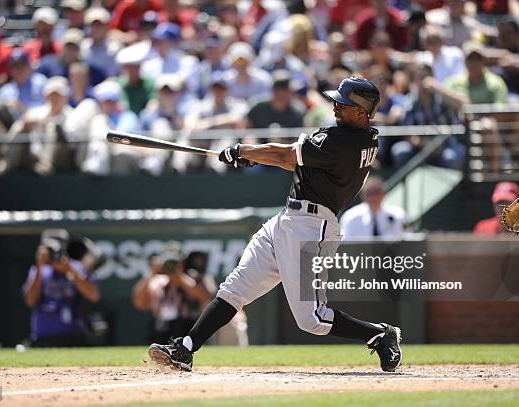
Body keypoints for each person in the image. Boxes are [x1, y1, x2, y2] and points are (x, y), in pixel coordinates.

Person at [147, 76, 403, 373]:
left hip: (313, 228)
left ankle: (381, 334)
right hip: (288, 220)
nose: (335, 106)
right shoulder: (356, 136)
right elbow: (295, 160)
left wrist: (242, 151)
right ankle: (185, 349)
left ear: (361, 111)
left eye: (343, 104)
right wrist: (249, 156)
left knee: (313, 320)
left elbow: (285, 155)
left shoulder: (344, 141)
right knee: (234, 289)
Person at [22, 231, 100, 347]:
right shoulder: (38, 270)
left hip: (73, 338)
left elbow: (94, 295)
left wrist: (69, 269)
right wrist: (40, 266)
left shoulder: (75, 267)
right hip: (42, 338)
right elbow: (30, 301)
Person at [132, 248, 215, 344]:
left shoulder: (196, 276)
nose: (171, 265)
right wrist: (152, 273)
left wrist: (179, 277)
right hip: (162, 329)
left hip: (188, 328)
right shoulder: (157, 281)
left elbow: (205, 296)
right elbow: (139, 303)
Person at [340, 176, 406, 239]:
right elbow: (345, 244)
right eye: (369, 193)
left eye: (376, 192)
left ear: (384, 193)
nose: (373, 197)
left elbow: (407, 240)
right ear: (362, 195)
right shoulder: (350, 217)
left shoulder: (398, 215)